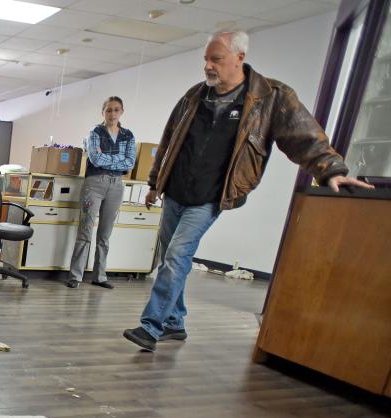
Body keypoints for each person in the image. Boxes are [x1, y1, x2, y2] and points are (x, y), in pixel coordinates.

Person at [123, 30, 373, 352]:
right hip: (175, 190)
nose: (208, 66)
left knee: (175, 256)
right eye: (206, 59)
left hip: (210, 197)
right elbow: (170, 140)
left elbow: (304, 136)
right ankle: (175, 322)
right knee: (174, 257)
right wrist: (156, 183)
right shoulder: (194, 96)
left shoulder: (270, 98)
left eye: (217, 59)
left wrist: (330, 171)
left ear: (239, 57)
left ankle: (151, 327)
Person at [67, 96, 136, 290]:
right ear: (103, 112)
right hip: (94, 184)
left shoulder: (128, 135)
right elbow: (96, 160)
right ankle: (76, 275)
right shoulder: (94, 132)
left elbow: (130, 163)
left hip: (117, 185)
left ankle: (99, 275)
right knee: (85, 231)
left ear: (122, 111)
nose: (112, 114)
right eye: (108, 110)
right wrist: (118, 160)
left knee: (105, 234)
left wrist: (110, 159)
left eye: (116, 110)